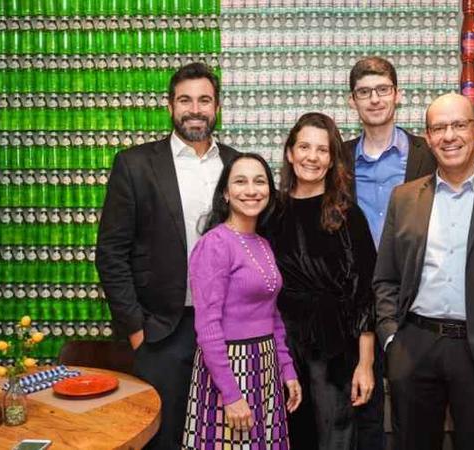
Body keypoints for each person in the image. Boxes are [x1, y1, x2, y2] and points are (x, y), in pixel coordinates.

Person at [342, 56, 474, 449]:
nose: (449, 136)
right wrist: (392, 340)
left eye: (459, 125)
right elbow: (387, 278)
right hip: (414, 344)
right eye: (439, 128)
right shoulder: (406, 196)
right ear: (428, 138)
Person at [95, 62, 238, 449]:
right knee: (163, 440)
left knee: (223, 437)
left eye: (204, 100)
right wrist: (138, 330)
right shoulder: (136, 164)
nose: (195, 109)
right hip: (162, 333)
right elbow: (111, 253)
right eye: (185, 100)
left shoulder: (236, 165)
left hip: (228, 331)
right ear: (169, 106)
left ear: (218, 107)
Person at [268, 112, 377, 450]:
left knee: (334, 437)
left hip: (334, 350)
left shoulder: (347, 214)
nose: (312, 157)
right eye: (304, 147)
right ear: (289, 152)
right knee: (289, 436)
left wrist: (366, 364)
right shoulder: (271, 211)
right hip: (281, 346)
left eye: (322, 150)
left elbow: (365, 294)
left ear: (332, 161)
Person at [182, 153, 302, 449]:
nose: (251, 190)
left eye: (259, 181)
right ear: (225, 192)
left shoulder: (262, 243)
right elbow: (208, 328)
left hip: (265, 365)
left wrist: (287, 371)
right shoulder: (215, 244)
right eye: (240, 181)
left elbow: (272, 316)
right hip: (229, 371)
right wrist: (231, 395)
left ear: (269, 192)